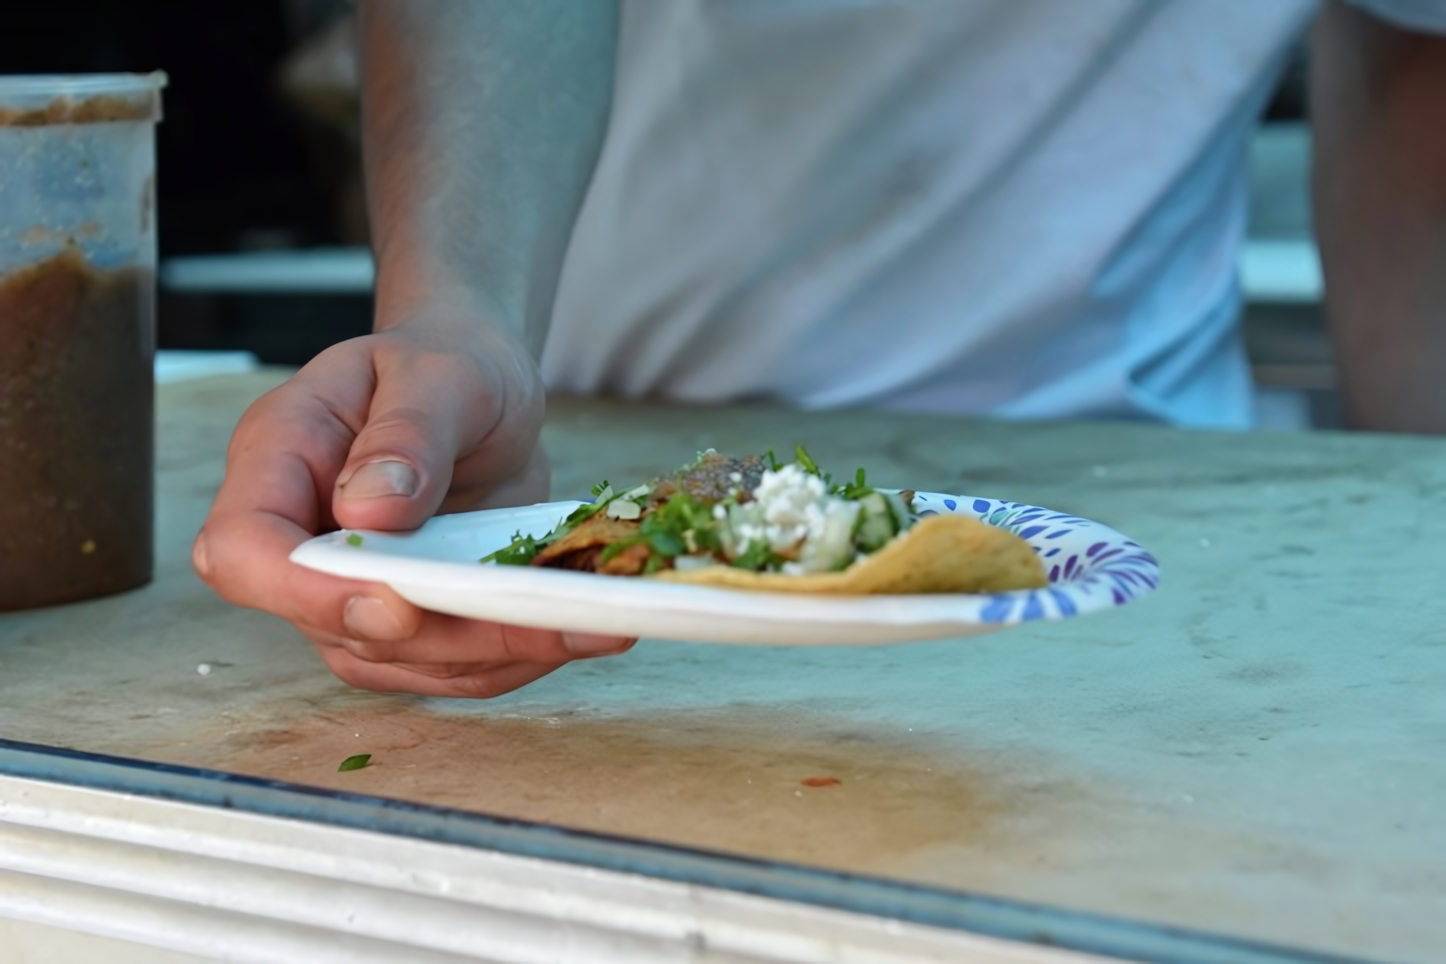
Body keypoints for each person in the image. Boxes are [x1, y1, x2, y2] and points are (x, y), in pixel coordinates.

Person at [193, 0, 1446, 698]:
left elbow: (1413, 67)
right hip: (590, 470)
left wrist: (1420, 508)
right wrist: (457, 314)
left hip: (1144, 517)